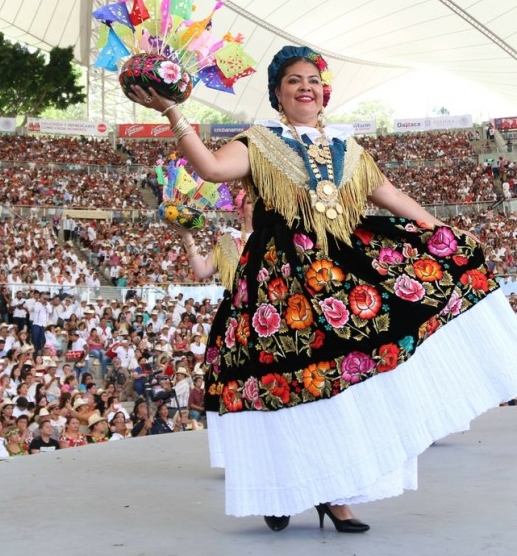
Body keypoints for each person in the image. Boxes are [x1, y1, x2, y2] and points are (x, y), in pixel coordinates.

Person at [128, 45, 517, 533]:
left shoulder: (348, 149)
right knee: (284, 385)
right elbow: (210, 169)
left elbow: (390, 196)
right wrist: (171, 109)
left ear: (324, 91)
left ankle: (336, 496)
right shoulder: (257, 141)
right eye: (293, 80)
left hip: (339, 277)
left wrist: (443, 230)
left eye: (312, 78)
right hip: (277, 284)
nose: (304, 86)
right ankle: (284, 485)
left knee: (338, 389)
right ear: (277, 92)